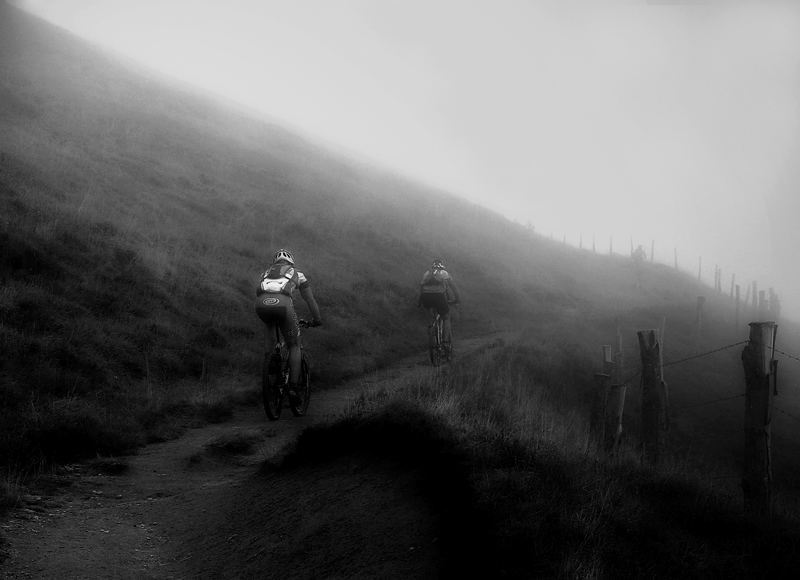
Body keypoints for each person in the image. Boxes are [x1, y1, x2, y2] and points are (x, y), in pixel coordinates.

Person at [254, 248, 322, 403]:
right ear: (291, 261)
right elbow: (310, 300)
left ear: (275, 262)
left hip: (261, 305)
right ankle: (293, 388)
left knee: (270, 328)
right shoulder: (297, 273)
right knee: (294, 345)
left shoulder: (265, 273)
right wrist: (317, 320)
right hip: (283, 305)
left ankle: (271, 363)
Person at [418, 257, 461, 348]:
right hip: (439, 297)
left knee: (432, 314)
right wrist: (457, 299)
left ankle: (432, 327)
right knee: (446, 317)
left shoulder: (427, 273)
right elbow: (453, 288)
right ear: (442, 266)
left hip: (426, 297)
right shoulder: (444, 273)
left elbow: (421, 287)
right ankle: (445, 342)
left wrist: (420, 301)